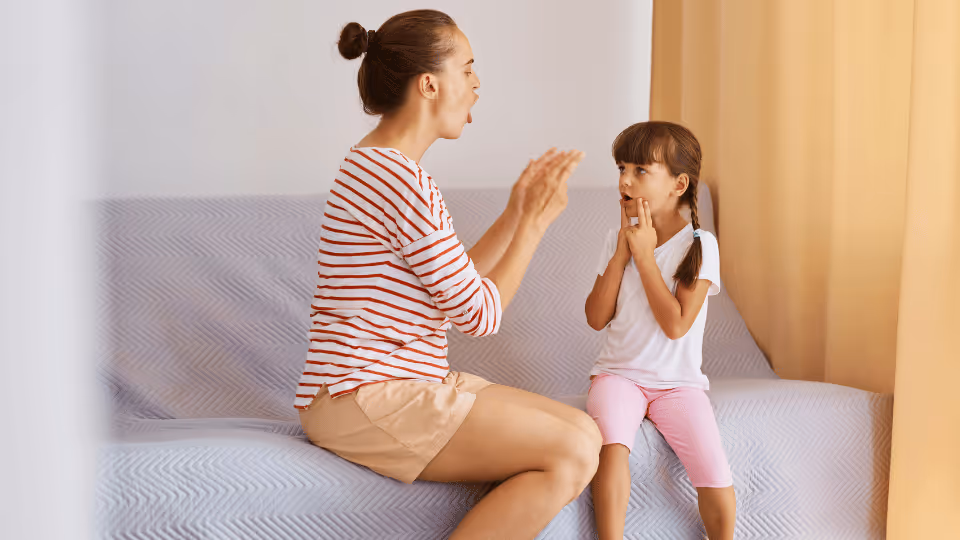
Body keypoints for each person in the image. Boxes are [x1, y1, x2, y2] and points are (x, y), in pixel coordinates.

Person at [294, 9, 599, 539]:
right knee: (571, 449)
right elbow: (478, 315)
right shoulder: (399, 179)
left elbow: (451, 290)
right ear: (429, 84)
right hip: (363, 396)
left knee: (583, 431)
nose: (478, 84)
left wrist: (516, 211)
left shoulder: (377, 165)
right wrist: (534, 227)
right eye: (468, 68)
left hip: (382, 385)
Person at [585, 121, 737, 539]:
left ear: (679, 183)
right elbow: (596, 317)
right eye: (621, 168)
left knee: (715, 472)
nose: (625, 180)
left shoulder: (700, 246)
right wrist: (622, 253)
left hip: (678, 385)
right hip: (619, 375)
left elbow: (675, 325)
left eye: (640, 170)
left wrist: (646, 258)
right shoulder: (617, 238)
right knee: (612, 449)